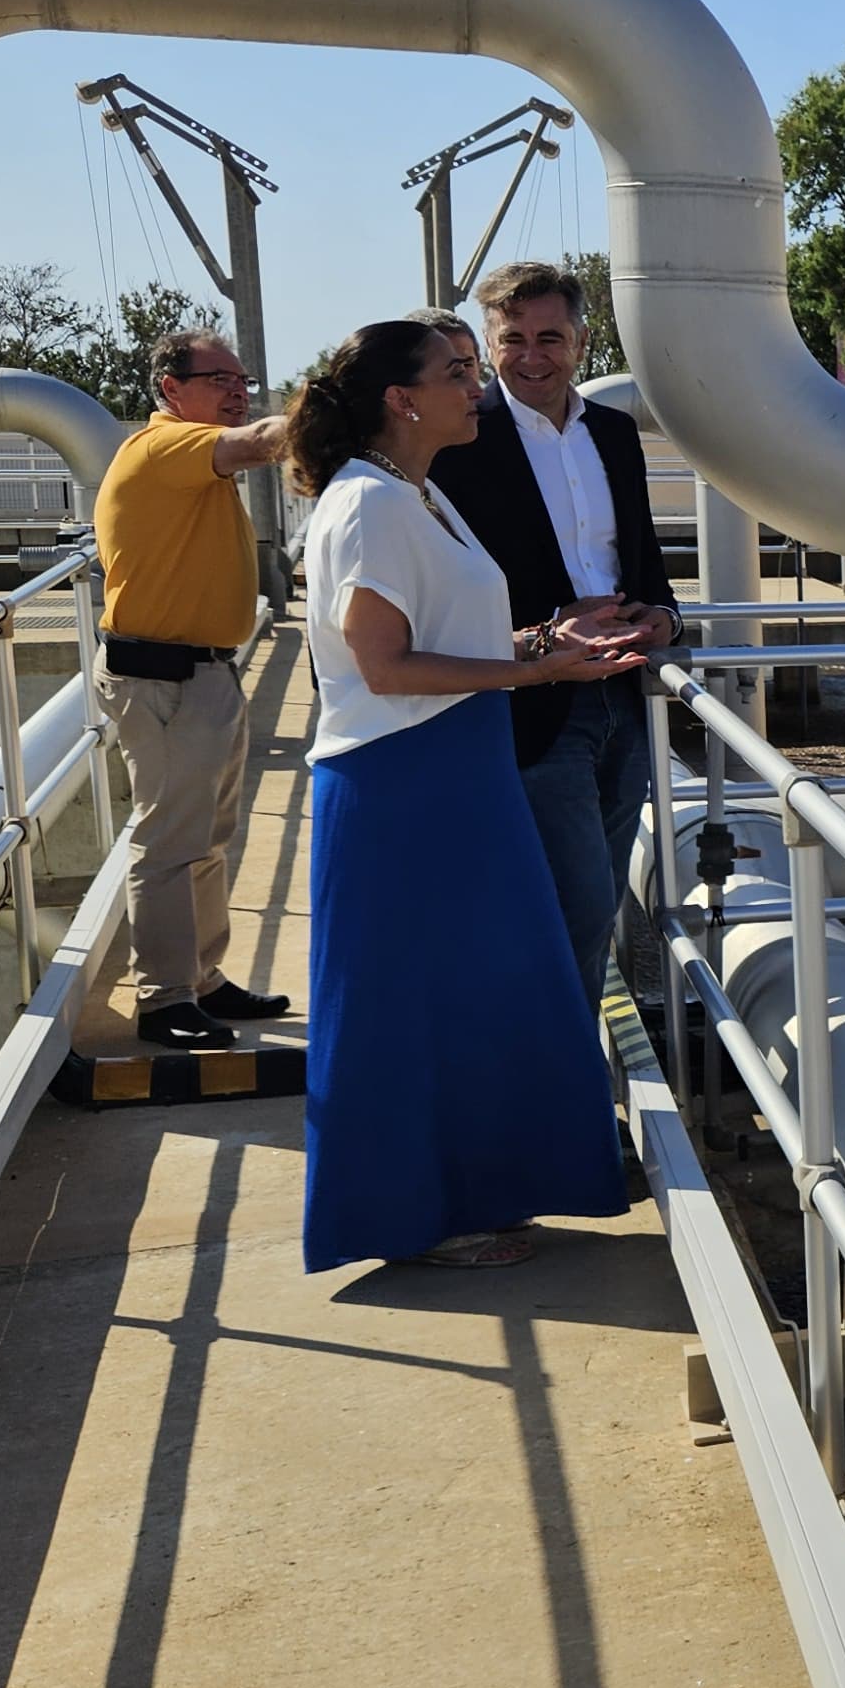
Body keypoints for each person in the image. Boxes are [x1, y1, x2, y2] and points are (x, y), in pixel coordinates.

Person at [288, 319, 644, 1270]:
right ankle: (417, 1218)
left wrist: (543, 641)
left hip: (453, 769)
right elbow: (384, 667)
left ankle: (474, 1197)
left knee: (472, 991)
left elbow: (445, 633)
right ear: (402, 399)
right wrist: (541, 678)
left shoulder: (419, 493)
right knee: (413, 1003)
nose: (475, 390)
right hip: (405, 782)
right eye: (458, 374)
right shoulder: (370, 503)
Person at [429, 262, 681, 1003]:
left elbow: (642, 558)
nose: (532, 356)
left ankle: (559, 1054)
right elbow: (435, 588)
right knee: (574, 904)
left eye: (550, 337)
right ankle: (563, 1076)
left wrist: (666, 617)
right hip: (528, 703)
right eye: (512, 340)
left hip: (624, 698)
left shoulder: (614, 432)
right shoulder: (459, 441)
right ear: (487, 342)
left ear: (582, 340)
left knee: (599, 891)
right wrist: (537, 638)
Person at [90, 330, 294, 1050]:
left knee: (207, 837)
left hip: (202, 673)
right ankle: (165, 997)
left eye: (242, 379)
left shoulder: (191, 460)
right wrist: (334, 409)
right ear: (171, 389)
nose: (238, 391)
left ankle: (202, 979)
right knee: (171, 842)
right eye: (220, 379)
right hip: (165, 679)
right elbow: (260, 442)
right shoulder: (165, 446)